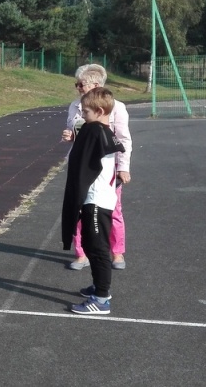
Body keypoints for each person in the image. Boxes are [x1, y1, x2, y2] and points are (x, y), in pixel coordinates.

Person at [61, 87, 126, 315]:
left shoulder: (96, 131)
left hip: (97, 200)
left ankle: (101, 299)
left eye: (86, 112)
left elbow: (84, 163)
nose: (82, 115)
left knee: (97, 249)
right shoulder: (101, 130)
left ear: (99, 111)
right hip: (96, 198)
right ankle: (99, 287)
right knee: (89, 244)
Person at [61, 64, 133, 270]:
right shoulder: (75, 106)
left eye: (80, 84)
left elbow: (123, 139)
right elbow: (75, 131)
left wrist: (123, 167)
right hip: (81, 165)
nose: (77, 88)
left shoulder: (117, 107)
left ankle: (117, 253)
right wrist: (70, 136)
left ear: (95, 85)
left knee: (113, 210)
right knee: (78, 208)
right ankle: (81, 253)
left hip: (106, 167)